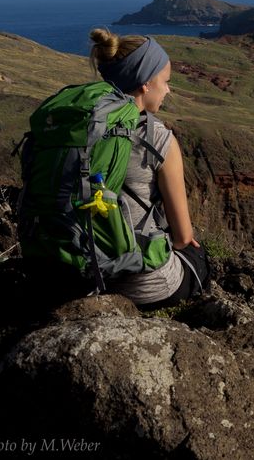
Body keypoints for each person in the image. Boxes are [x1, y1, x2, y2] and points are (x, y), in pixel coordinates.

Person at [88, 29, 209, 309]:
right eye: (165, 81)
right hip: (139, 286)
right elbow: (182, 237)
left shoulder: (84, 130)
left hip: (75, 271)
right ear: (145, 83)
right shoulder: (159, 139)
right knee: (198, 259)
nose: (168, 90)